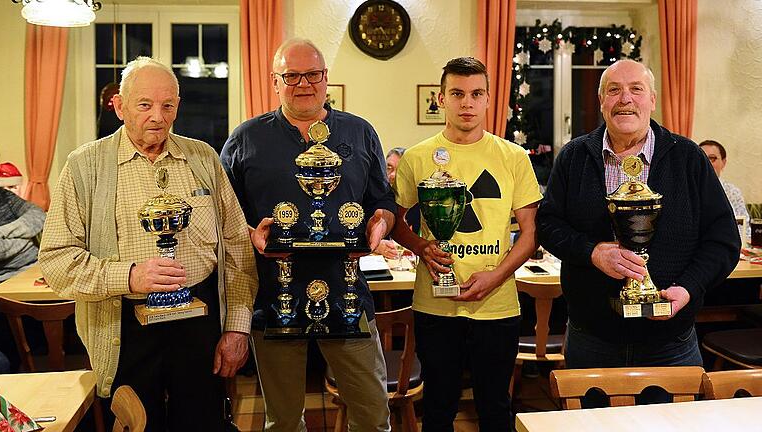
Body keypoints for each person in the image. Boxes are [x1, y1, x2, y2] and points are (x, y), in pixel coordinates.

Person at [38, 57, 257, 431]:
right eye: (144, 104)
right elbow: (57, 261)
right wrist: (130, 277)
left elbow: (237, 246)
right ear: (120, 106)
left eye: (167, 105)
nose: (158, 116)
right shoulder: (83, 166)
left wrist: (237, 327)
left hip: (200, 323)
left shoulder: (204, 157)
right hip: (123, 329)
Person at [536, 60, 740, 401]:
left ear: (653, 100)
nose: (624, 99)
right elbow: (548, 224)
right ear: (601, 101)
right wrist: (593, 252)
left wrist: (688, 288)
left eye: (636, 89)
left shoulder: (688, 158)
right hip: (592, 339)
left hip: (671, 343)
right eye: (614, 90)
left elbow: (723, 240)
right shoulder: (574, 157)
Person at [220, 38, 393, 431]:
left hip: (347, 293)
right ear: (275, 81)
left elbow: (383, 201)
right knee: (282, 421)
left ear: (326, 78)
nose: (303, 84)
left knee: (372, 415)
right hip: (273, 295)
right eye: (291, 76)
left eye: (312, 74)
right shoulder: (246, 138)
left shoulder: (359, 132)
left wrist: (379, 224)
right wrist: (250, 233)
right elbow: (220, 214)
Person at [391, 57, 542, 432]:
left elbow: (531, 232)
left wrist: (496, 276)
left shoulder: (513, 156)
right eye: (457, 93)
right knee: (438, 409)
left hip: (498, 306)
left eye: (476, 94)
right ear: (441, 99)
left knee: (495, 408)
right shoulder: (417, 157)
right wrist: (423, 246)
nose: (467, 103)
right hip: (435, 306)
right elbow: (396, 221)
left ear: (489, 99)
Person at [0, 149, 45, 284]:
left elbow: (37, 215)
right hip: (2, 282)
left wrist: (0, 233)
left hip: (34, 268)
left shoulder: (0, 195)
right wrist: (29, 241)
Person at [699, 140, 750, 236]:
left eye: (712, 158)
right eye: (702, 158)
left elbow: (744, 228)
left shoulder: (732, 192)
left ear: (723, 162)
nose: (706, 163)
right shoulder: (686, 191)